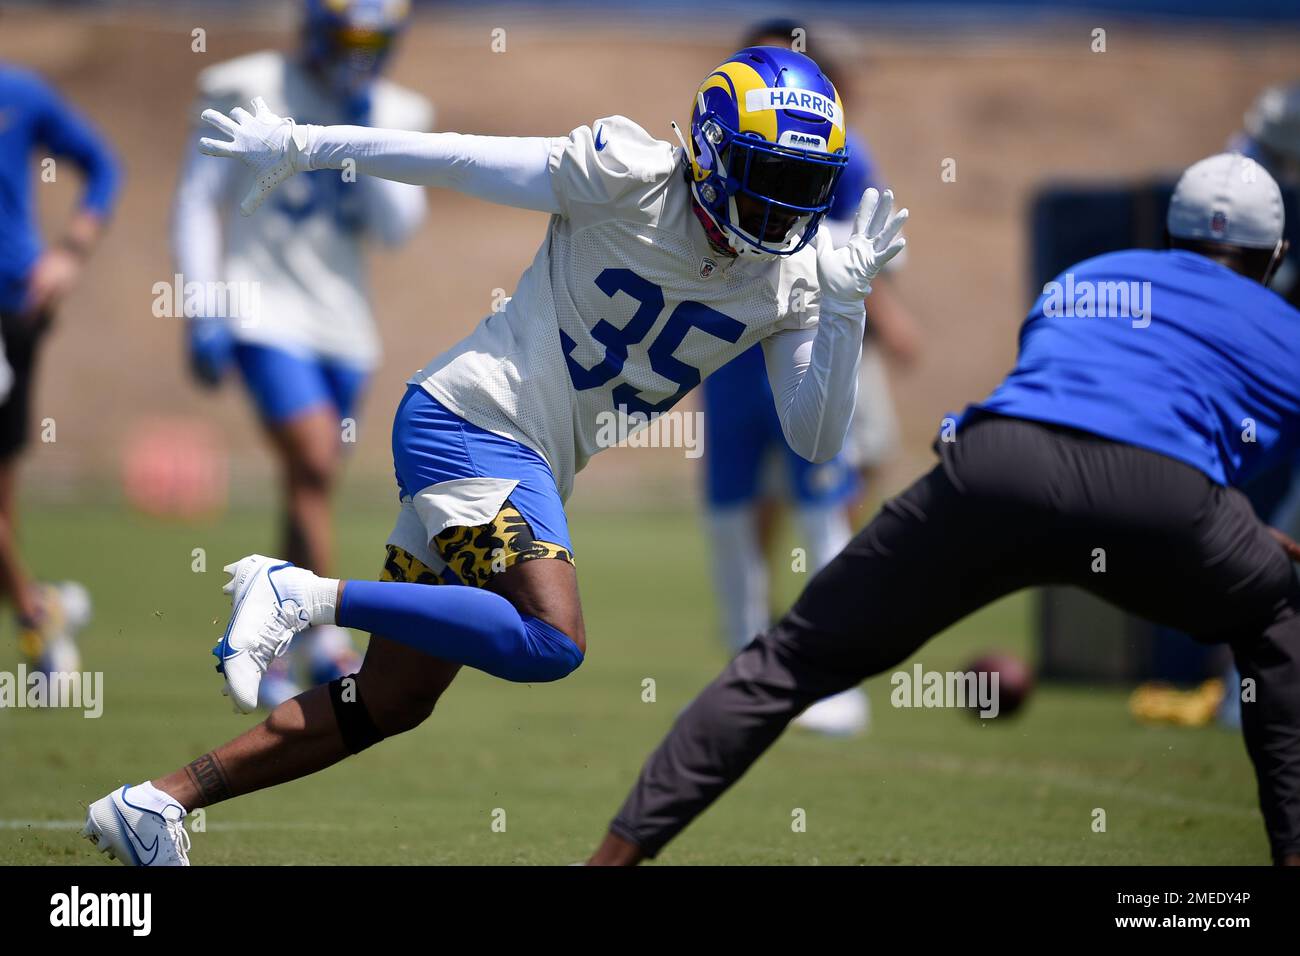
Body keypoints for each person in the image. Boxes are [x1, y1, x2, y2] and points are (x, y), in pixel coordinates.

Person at [81, 46, 908, 865]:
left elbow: (814, 437)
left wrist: (844, 310)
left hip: (515, 453)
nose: (778, 211)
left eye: (801, 188)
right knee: (554, 637)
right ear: (712, 153)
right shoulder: (627, 175)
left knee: (392, 699)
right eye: (765, 177)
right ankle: (297, 592)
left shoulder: (801, 277)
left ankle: (157, 804)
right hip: (470, 419)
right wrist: (309, 142)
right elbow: (461, 160)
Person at [586, 153, 1300, 867]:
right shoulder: (1285, 331)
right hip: (1164, 503)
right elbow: (1157, 443)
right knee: (1275, 629)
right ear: (1277, 255)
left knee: (787, 659)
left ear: (1170, 238)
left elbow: (1066, 396)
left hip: (1000, 466)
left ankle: (609, 862)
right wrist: (1229, 528)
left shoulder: (1092, 275)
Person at [171, 0, 431, 706]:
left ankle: (267, 638)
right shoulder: (249, 84)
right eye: (348, 39)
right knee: (313, 459)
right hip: (262, 308)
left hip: (346, 325)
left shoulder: (397, 109)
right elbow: (199, 198)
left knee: (308, 483)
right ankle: (325, 636)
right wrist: (204, 305)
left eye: (374, 42)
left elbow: (398, 228)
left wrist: (367, 128)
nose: (360, 55)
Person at [699, 19, 922, 737]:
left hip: (803, 341)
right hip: (730, 353)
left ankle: (824, 671)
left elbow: (874, 241)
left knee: (825, 501)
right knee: (731, 508)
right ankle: (744, 671)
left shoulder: (843, 150)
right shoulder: (718, 131)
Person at [0, 62, 118, 672]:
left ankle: (34, 612)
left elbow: (102, 165)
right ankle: (37, 610)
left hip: (15, 306)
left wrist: (69, 252)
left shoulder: (19, 95)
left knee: (5, 489)